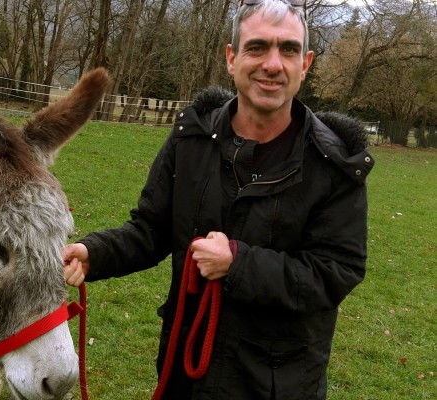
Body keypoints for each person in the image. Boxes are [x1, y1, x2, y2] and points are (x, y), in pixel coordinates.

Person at [62, 0, 374, 398]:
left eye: (289, 49)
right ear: (231, 58)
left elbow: (336, 270)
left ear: (306, 63)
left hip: (274, 382)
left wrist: (239, 263)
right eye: (257, 47)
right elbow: (152, 228)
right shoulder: (191, 139)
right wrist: (96, 252)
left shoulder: (333, 164)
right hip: (186, 371)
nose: (273, 64)